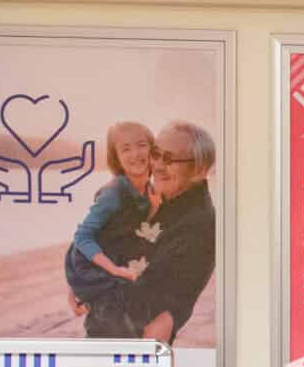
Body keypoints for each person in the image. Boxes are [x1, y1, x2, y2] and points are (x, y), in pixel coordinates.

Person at [79, 121, 219, 344]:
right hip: (111, 334)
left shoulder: (198, 225)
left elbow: (143, 299)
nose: (158, 166)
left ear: (200, 170)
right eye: (156, 154)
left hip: (129, 345)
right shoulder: (162, 201)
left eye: (171, 159)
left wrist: (87, 289)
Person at [63, 120, 154, 311]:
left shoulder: (150, 190)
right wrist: (109, 271)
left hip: (113, 259)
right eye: (125, 149)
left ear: (153, 150)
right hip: (95, 264)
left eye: (141, 145)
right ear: (117, 158)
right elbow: (82, 236)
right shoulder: (114, 192)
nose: (135, 154)